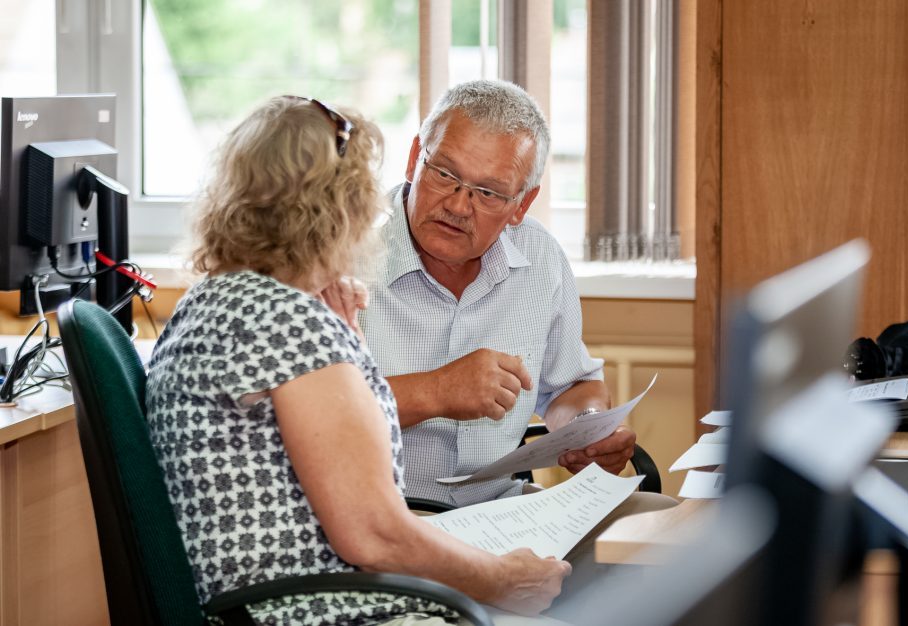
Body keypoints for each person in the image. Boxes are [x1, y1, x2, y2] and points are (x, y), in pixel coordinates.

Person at [145, 95, 570, 625]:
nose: (378, 210)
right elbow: (374, 534)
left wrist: (347, 343)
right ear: (338, 209)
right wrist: (506, 578)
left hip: (279, 600)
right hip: (315, 609)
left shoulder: (221, 299)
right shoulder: (286, 323)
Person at [360, 80, 671, 513]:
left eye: (488, 192)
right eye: (445, 174)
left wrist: (585, 431)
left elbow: (572, 386)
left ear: (522, 204)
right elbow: (307, 414)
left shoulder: (539, 255)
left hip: (501, 509)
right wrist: (435, 391)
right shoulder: (342, 253)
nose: (458, 205)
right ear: (415, 159)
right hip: (381, 518)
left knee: (661, 520)